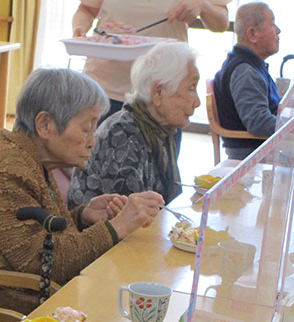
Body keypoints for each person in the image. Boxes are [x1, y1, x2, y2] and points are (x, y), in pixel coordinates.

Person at [0, 68, 163, 322]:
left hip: (32, 303)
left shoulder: (29, 156)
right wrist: (117, 227)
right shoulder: (7, 167)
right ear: (45, 125)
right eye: (87, 128)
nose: (92, 141)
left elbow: (41, 233)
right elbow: (44, 263)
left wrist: (83, 216)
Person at [69, 42, 200, 207]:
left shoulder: (160, 128)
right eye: (191, 88)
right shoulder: (123, 135)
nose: (197, 102)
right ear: (158, 92)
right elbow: (131, 220)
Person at [72, 0, 229, 125]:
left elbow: (221, 23)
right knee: (96, 158)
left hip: (164, 90)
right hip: (105, 86)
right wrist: (80, 29)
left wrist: (202, 5)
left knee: (158, 161)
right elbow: (86, 10)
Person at [213, 2, 281, 160]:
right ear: (252, 34)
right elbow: (258, 122)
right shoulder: (245, 71)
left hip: (262, 147)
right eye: (272, 24)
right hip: (254, 154)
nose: (278, 31)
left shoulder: (249, 65)